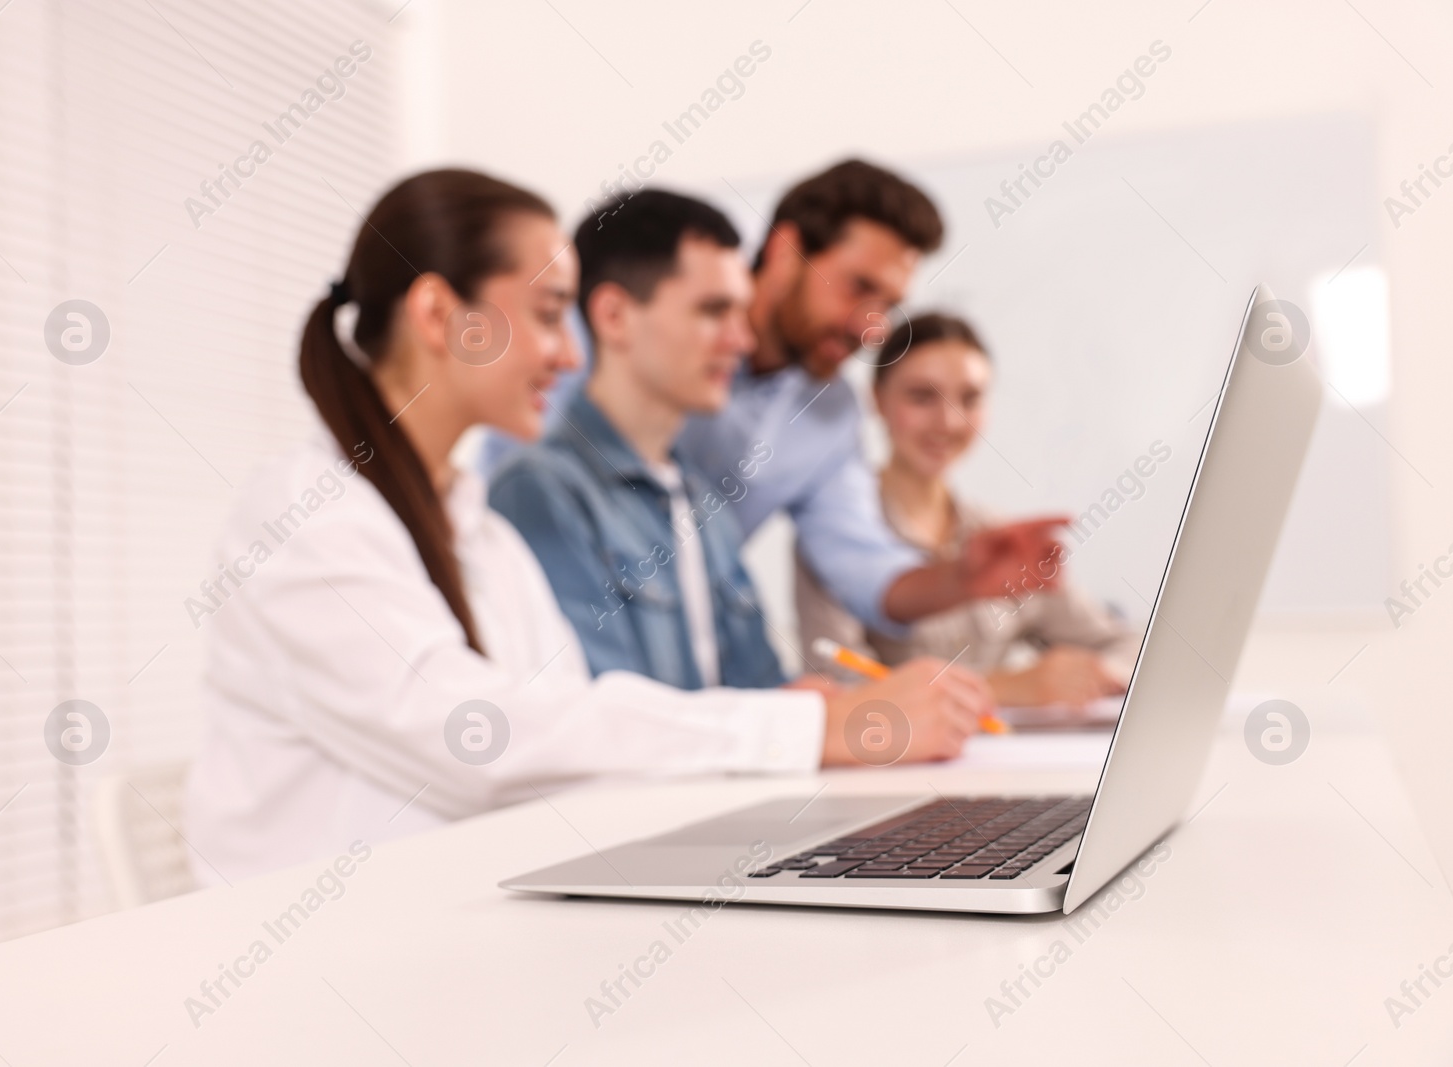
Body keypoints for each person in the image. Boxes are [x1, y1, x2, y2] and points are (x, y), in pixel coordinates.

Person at [182, 169, 993, 882]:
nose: (567, 357)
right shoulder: (306, 517)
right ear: (438, 312)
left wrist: (800, 719)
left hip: (448, 935)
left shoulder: (480, 537)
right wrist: (808, 725)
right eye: (546, 315)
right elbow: (486, 745)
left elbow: (579, 734)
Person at [675, 160, 1066, 646]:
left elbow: (864, 569)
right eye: (859, 288)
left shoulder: (830, 415)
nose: (872, 327)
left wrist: (962, 578)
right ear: (786, 251)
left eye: (888, 304)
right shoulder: (652, 341)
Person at [490, 189, 789, 689]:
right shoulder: (539, 492)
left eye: (743, 314)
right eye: (715, 311)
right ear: (613, 316)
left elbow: (764, 689)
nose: (743, 341)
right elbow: (608, 722)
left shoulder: (704, 505)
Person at [797, 312, 1140, 707]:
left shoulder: (1001, 539)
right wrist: (1005, 689)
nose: (948, 421)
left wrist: (1096, 675)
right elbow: (840, 692)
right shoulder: (834, 532)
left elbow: (1126, 644)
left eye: (970, 398)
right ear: (877, 399)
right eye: (922, 397)